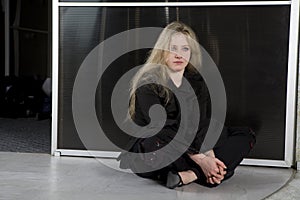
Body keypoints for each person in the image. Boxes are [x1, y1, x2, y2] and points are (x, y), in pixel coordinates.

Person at [118, 21, 256, 189]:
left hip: (187, 146)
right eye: (172, 49)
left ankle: (190, 175)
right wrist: (201, 159)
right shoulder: (148, 83)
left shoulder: (196, 82)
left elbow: (202, 124)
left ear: (191, 52)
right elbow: (162, 129)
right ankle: (212, 170)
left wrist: (210, 155)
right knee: (158, 143)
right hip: (157, 148)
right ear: (162, 52)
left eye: (185, 48)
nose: (179, 55)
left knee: (243, 134)